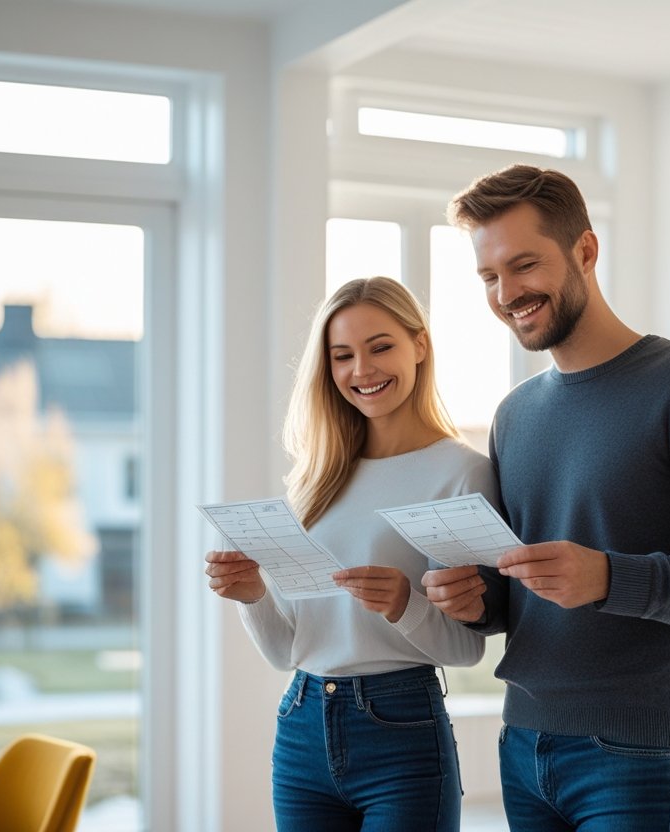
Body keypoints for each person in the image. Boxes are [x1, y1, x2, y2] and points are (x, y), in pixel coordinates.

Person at [422, 165, 670, 832]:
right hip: (523, 744)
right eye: (489, 277)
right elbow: (523, 594)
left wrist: (608, 577)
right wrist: (476, 601)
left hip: (640, 754)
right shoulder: (514, 414)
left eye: (524, 265)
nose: (507, 293)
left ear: (586, 251)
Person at [204, 277, 498, 832]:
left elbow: (466, 650)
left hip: (402, 734)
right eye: (342, 356)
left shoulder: (463, 473)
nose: (362, 370)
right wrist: (253, 596)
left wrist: (404, 604)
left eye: (380, 347)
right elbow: (286, 653)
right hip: (301, 727)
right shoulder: (315, 479)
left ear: (419, 344)